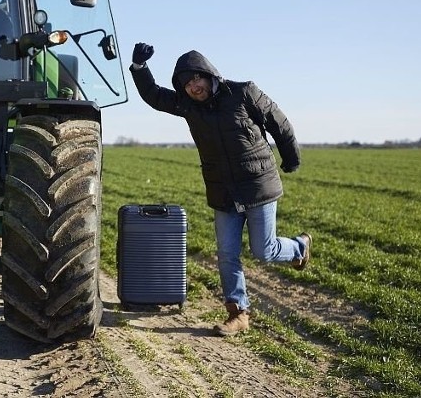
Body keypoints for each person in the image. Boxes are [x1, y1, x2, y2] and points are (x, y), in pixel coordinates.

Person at [129, 42, 312, 336]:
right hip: (223, 191)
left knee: (263, 250)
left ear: (208, 74)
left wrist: (291, 159)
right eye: (186, 84)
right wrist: (140, 68)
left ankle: (299, 247)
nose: (193, 87)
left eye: (196, 78)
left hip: (257, 186)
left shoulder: (244, 92)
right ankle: (238, 313)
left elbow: (280, 124)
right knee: (227, 254)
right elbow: (153, 96)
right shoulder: (187, 106)